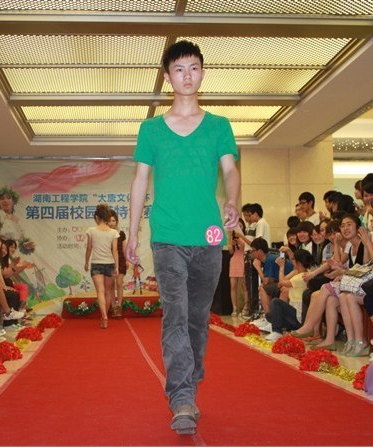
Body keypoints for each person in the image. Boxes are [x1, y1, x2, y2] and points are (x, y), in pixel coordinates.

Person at [126, 40, 240, 435]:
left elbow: (230, 170)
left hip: (208, 237)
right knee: (175, 315)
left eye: (193, 67)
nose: (187, 75)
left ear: (202, 72)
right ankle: (182, 399)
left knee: (197, 319)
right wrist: (131, 232)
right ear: (167, 77)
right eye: (179, 69)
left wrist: (233, 201)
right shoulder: (151, 129)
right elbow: (140, 181)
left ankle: (190, 381)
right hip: (168, 236)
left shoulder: (219, 126)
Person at [84, 204, 119, 329]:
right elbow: (115, 250)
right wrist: (117, 266)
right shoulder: (113, 232)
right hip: (110, 263)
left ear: (97, 217)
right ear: (107, 217)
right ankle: (105, 316)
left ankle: (104, 315)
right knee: (108, 291)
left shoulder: (91, 231)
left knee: (100, 291)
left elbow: (89, 248)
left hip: (96, 263)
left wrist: (86, 262)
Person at [108, 209, 127, 318]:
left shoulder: (121, 234)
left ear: (117, 222)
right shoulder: (105, 234)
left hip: (121, 261)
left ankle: (119, 306)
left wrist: (127, 260)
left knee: (119, 283)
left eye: (113, 221)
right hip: (109, 262)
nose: (111, 223)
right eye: (109, 221)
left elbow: (124, 249)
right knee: (110, 285)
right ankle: (113, 306)